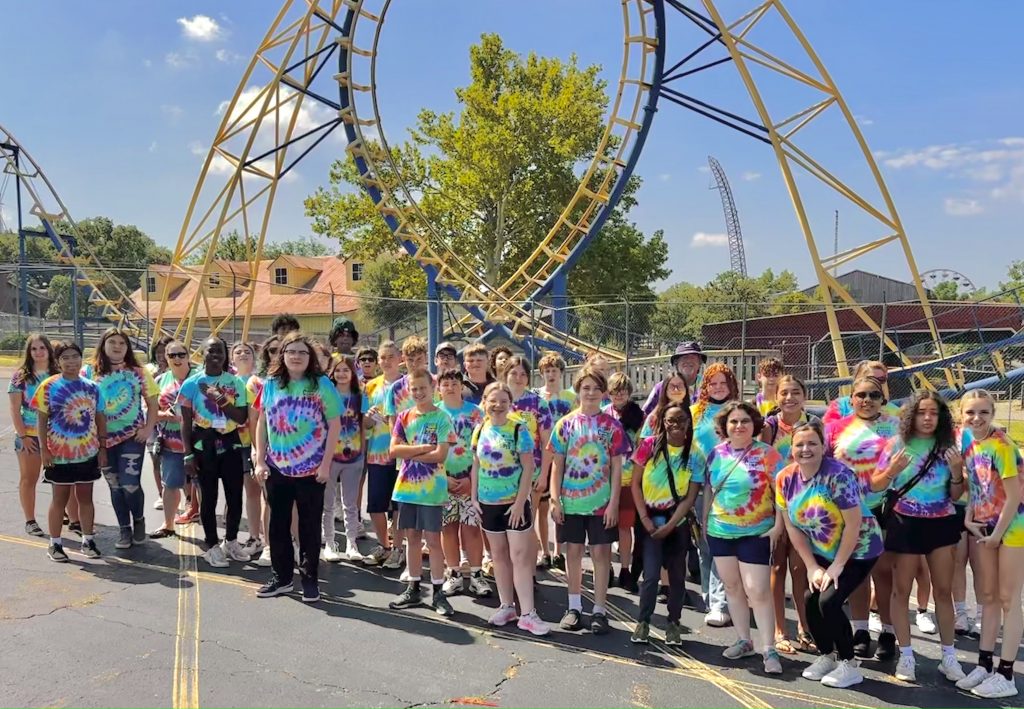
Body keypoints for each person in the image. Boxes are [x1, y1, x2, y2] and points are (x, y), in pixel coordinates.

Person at [778, 422, 883, 689]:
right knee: (809, 600)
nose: (806, 449)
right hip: (822, 550)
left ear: (824, 446)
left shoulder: (839, 475)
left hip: (859, 547)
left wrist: (837, 566)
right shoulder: (785, 478)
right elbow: (792, 525)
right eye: (800, 444)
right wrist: (812, 566)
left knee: (829, 601)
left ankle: (849, 663)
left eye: (812, 443)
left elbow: (854, 523)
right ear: (791, 449)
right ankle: (827, 655)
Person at [873, 391, 966, 683]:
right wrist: (892, 470)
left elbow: (955, 494)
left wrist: (956, 473)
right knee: (902, 590)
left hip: (941, 523)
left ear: (941, 418)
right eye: (922, 412)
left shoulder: (948, 446)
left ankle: (949, 658)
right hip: (906, 522)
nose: (927, 418)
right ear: (911, 416)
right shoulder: (897, 444)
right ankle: (907, 656)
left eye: (934, 413)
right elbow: (876, 485)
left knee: (943, 591)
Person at [253, 333, 343, 602]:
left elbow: (335, 424)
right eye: (290, 351)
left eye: (302, 352)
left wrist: (326, 465)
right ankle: (281, 578)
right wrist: (259, 459)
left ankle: (310, 580)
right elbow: (261, 421)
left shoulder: (321, 385)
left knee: (309, 528)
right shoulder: (271, 384)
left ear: (310, 357)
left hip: (311, 470)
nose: (296, 356)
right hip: (277, 468)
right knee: (278, 527)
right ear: (282, 355)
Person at [704, 401, 785, 674]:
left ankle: (769, 648)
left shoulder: (768, 454)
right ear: (725, 426)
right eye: (734, 422)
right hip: (721, 530)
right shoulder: (715, 454)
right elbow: (709, 490)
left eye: (745, 421)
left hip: (756, 530)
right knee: (733, 587)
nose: (739, 426)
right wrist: (705, 523)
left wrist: (778, 527)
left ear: (755, 425)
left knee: (758, 590)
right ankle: (743, 639)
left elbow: (782, 494)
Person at [549, 366, 630, 635]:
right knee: (573, 553)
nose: (591, 393)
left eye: (596, 388)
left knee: (601, 554)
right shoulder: (565, 424)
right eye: (586, 388)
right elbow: (556, 466)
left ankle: (599, 609)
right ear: (577, 390)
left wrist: (614, 503)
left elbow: (617, 468)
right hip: (571, 502)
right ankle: (573, 606)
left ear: (604, 392)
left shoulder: (612, 426)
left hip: (601, 504)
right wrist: (554, 498)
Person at [825, 375, 900, 661]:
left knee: (883, 573)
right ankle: (860, 630)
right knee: (857, 575)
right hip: (847, 510)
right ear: (851, 398)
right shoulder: (834, 429)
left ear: (883, 399)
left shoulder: (894, 427)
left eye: (873, 395)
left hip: (883, 507)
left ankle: (888, 631)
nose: (867, 400)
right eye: (861, 395)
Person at [956, 389, 1024, 698]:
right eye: (971, 412)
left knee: (1009, 598)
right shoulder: (969, 441)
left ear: (992, 413)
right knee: (988, 597)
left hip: (1012, 528)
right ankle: (984, 664)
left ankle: (1006, 674)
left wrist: (998, 535)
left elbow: (1014, 497)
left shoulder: (1002, 446)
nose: (977, 418)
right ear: (962, 414)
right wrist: (970, 515)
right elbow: (977, 483)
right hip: (985, 525)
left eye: (984, 412)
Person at [470, 382, 550, 634]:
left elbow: (528, 467)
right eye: (493, 400)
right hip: (488, 503)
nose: (498, 405)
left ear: (510, 403)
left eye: (504, 401)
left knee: (520, 558)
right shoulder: (480, 429)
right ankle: (507, 606)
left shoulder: (518, 429)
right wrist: (473, 498)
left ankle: (528, 613)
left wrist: (519, 503)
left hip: (514, 505)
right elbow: (475, 465)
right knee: (499, 557)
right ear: (484, 401)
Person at [629, 402, 703, 645]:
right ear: (662, 422)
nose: (676, 425)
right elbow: (635, 485)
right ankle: (643, 622)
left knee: (677, 575)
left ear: (688, 423)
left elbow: (691, 496)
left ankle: (674, 623)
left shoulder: (695, 454)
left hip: (676, 521)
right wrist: (645, 519)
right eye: (670, 420)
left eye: (681, 419)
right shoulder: (648, 446)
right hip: (649, 518)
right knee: (650, 575)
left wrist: (671, 525)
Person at [387, 370, 457, 616]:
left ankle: (438, 592)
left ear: (432, 386)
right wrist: (422, 448)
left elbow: (440, 455)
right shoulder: (404, 417)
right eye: (413, 389)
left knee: (434, 542)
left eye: (422, 388)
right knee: (412, 539)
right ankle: (413, 587)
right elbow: (394, 450)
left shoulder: (442, 418)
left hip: (432, 491)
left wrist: (410, 451)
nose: (418, 393)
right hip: (407, 489)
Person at [179, 338, 252, 568]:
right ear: (202, 354)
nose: (215, 355)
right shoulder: (191, 384)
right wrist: (188, 454)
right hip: (204, 444)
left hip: (230, 442)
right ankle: (211, 546)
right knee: (208, 498)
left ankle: (230, 540)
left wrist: (220, 399)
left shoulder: (235, 382)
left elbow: (241, 417)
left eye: (220, 351)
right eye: (211, 351)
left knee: (234, 496)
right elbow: (185, 421)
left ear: (225, 354)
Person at [86, 327, 159, 550]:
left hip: (131, 437)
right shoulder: (89, 372)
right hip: (103, 440)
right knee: (115, 486)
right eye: (112, 342)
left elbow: (153, 401)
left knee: (130, 484)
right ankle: (124, 530)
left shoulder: (138, 371)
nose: (117, 347)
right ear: (103, 345)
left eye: (122, 343)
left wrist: (148, 428)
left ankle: (138, 520)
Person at [760, 375, 817, 654]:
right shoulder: (769, 426)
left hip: (807, 506)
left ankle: (805, 628)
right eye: (784, 392)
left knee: (800, 568)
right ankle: (779, 629)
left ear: (804, 395)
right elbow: (761, 464)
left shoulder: (814, 424)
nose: (789, 397)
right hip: (774, 504)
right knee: (777, 566)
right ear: (776, 396)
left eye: (796, 392)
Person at [35, 341, 107, 561]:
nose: (71, 361)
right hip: (59, 454)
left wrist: (102, 447)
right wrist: (44, 450)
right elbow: (41, 419)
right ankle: (55, 544)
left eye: (75, 356)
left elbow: (100, 416)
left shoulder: (92, 387)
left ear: (81, 358)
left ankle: (88, 540)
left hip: (86, 453)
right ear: (57, 361)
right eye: (65, 357)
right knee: (60, 498)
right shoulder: (48, 386)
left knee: (86, 497)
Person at [692, 362, 740, 627]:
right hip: (699, 486)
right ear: (705, 386)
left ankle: (721, 602)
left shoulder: (739, 411)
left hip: (730, 487)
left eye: (723, 383)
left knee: (723, 545)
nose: (719, 388)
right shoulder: (695, 413)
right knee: (705, 546)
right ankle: (710, 597)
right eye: (713, 383)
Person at [436, 369, 488, 598]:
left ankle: (476, 574)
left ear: (462, 386)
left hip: (470, 479)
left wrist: (471, 480)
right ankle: (454, 574)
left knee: (472, 528)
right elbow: (428, 448)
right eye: (445, 383)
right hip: (443, 480)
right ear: (439, 388)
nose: (450, 387)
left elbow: (485, 449)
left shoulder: (476, 414)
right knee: (448, 528)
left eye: (454, 383)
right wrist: (442, 477)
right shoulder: (435, 413)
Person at [501, 356, 553, 575]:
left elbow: (547, 442)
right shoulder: (497, 401)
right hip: (501, 475)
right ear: (505, 375)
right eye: (514, 373)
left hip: (531, 472)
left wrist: (544, 476)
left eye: (523, 374)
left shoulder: (537, 403)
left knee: (526, 525)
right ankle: (508, 570)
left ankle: (528, 572)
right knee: (504, 526)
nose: (519, 378)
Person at [8, 333, 58, 537]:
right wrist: (23, 436)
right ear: (29, 352)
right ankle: (30, 520)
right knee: (29, 478)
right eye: (34, 349)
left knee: (60, 478)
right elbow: (14, 408)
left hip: (56, 436)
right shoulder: (21, 376)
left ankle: (64, 515)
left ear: (48, 350)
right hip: (29, 435)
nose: (38, 352)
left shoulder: (57, 373)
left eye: (42, 348)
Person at [321, 355, 368, 563]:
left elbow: (365, 426)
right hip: (330, 455)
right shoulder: (326, 395)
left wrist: (372, 417)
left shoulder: (359, 396)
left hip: (354, 455)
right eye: (337, 370)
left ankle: (351, 543)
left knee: (350, 504)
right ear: (332, 373)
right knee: (328, 503)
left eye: (345, 370)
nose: (341, 374)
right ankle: (330, 543)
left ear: (353, 373)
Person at [148, 340, 196, 538]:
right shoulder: (160, 380)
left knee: (202, 485)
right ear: (165, 358)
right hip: (171, 442)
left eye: (181, 354)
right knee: (171, 484)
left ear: (188, 356)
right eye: (172, 355)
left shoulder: (199, 378)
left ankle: (203, 520)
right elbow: (149, 410)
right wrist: (165, 415)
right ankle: (168, 524)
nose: (177, 359)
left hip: (198, 441)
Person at [534, 351, 576, 568]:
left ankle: (559, 550)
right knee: (541, 507)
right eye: (547, 371)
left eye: (554, 370)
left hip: (563, 457)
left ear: (561, 373)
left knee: (560, 503)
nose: (551, 374)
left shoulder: (569, 398)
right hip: (542, 456)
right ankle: (545, 551)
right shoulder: (536, 396)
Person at [606, 372, 645, 592]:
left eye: (622, 391)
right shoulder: (604, 414)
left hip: (629, 477)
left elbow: (642, 446)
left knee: (624, 526)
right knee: (605, 525)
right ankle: (607, 567)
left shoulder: (639, 417)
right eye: (614, 391)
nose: (619, 395)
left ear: (629, 393)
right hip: (606, 478)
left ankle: (625, 568)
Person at [245, 336, 280, 565]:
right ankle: (268, 545)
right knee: (268, 500)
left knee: (293, 504)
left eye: (281, 350)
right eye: (273, 350)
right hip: (267, 452)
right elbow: (254, 419)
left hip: (293, 453)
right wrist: (258, 453)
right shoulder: (258, 382)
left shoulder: (299, 381)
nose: (277, 354)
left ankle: (292, 543)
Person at [231, 342, 263, 558]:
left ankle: (261, 536)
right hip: (230, 443)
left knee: (256, 492)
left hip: (252, 444)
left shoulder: (259, 382)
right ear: (232, 358)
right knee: (237, 493)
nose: (243, 355)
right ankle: (248, 536)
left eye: (247, 352)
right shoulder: (227, 381)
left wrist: (256, 446)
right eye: (238, 352)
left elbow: (258, 418)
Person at [822, 360, 900, 424]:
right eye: (871, 378)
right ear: (859, 380)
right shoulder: (840, 406)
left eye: (882, 379)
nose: (877, 383)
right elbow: (827, 434)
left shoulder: (895, 411)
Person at [145, 335, 172, 512]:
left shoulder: (181, 368)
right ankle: (161, 494)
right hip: (154, 423)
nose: (162, 356)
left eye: (166, 352)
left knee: (177, 461)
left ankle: (187, 497)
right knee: (156, 459)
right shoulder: (148, 371)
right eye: (159, 352)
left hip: (174, 423)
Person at [642, 341, 707, 415]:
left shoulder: (708, 386)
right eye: (684, 357)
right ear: (676, 363)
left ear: (700, 362)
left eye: (692, 357)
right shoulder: (661, 388)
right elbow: (644, 415)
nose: (688, 360)